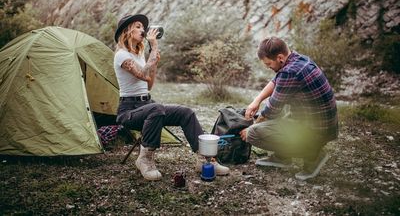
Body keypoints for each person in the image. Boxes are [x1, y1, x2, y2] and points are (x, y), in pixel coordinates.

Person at [113, 14, 229, 181]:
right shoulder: (121, 55)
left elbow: (148, 84)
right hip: (129, 110)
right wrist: (153, 48)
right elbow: (141, 73)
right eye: (137, 26)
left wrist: (154, 63)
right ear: (127, 31)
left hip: (147, 105)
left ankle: (204, 159)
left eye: (142, 26)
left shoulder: (138, 55)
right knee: (156, 108)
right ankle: (144, 159)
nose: (142, 30)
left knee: (186, 112)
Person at [239, 37, 338, 180]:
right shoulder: (298, 59)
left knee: (254, 133)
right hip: (322, 125)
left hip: (316, 131)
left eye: (269, 64)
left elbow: (271, 110)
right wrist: (257, 100)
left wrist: (250, 128)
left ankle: (313, 155)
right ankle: (282, 157)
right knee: (281, 108)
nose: (268, 67)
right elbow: (276, 81)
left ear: (279, 57)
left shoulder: (290, 73)